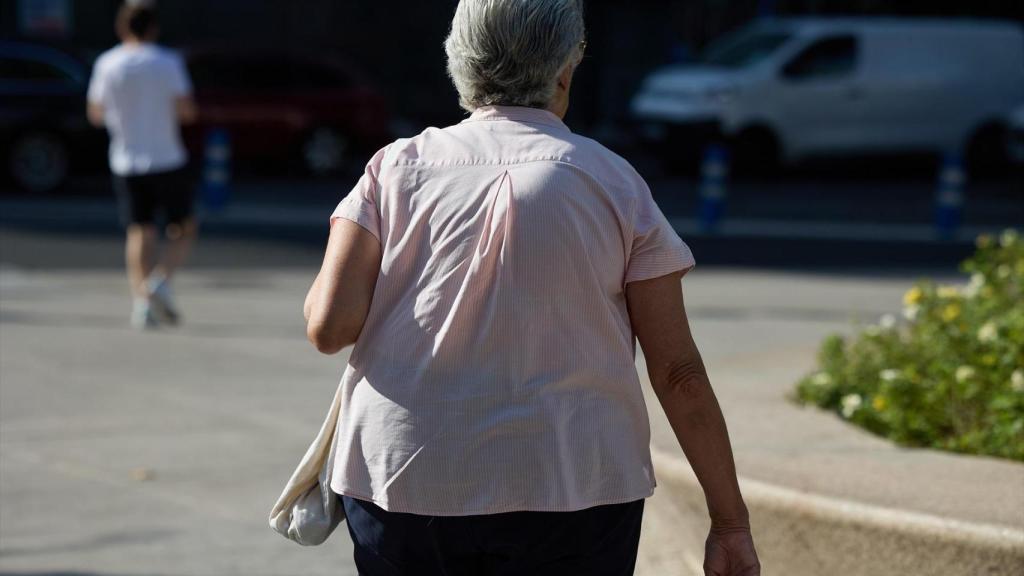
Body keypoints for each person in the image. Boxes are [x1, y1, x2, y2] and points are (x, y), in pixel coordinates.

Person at [303, 1, 761, 574]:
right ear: (565, 71)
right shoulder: (613, 181)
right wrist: (730, 523)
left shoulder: (395, 167)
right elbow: (678, 374)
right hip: (574, 486)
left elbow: (328, 327)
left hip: (406, 477)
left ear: (459, 63)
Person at [87, 1, 198, 330]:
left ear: (121, 27)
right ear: (153, 28)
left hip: (125, 158)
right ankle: (159, 282)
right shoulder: (168, 62)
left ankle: (141, 304)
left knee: (140, 232)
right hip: (167, 157)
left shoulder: (107, 63)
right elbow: (187, 111)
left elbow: (95, 113)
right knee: (184, 227)